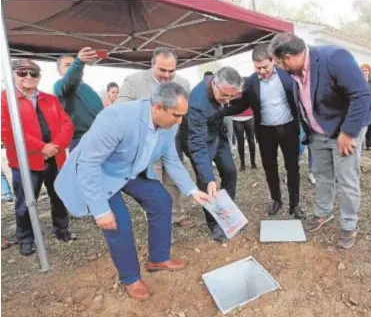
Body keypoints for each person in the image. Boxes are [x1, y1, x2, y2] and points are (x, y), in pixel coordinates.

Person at [54, 83, 210, 300]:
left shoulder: (169, 123)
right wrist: (100, 210)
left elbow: (172, 159)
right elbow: (88, 164)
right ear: (157, 108)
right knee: (118, 223)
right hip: (102, 173)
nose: (179, 121)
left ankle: (158, 258)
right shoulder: (116, 118)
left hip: (131, 168)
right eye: (176, 115)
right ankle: (130, 278)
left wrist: (192, 191)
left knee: (161, 202)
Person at [269, 33, 371, 249]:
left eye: (278, 63)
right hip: (318, 132)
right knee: (322, 175)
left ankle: (349, 224)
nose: (278, 67)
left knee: (346, 179)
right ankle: (323, 212)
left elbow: (362, 96)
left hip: (345, 129)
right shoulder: (296, 71)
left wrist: (348, 133)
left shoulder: (334, 57)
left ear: (288, 58)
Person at [1, 59, 75, 256]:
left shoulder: (50, 99)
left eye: (33, 73)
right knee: (25, 202)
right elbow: (7, 132)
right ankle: (26, 238)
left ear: (39, 77)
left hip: (54, 157)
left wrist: (55, 146)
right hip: (26, 162)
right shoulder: (4, 100)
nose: (28, 77)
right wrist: (41, 147)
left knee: (58, 195)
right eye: (22, 72)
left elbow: (67, 124)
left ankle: (62, 229)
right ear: (13, 75)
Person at [116, 47, 193, 228]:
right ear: (152, 65)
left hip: (171, 142)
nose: (167, 75)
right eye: (162, 70)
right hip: (146, 146)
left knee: (173, 180)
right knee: (154, 183)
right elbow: (120, 110)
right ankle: (159, 221)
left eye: (171, 71)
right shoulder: (134, 82)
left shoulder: (183, 83)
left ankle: (176, 215)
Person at [230, 44, 305, 218]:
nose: (262, 71)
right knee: (270, 168)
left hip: (289, 129)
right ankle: (276, 200)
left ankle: (295, 205)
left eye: (265, 66)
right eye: (258, 68)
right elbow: (242, 104)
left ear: (273, 61)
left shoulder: (288, 75)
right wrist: (221, 109)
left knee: (292, 168)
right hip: (265, 132)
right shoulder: (251, 82)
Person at [179, 67, 243, 241]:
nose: (227, 101)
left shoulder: (224, 91)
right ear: (214, 84)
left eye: (232, 96)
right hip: (197, 140)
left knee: (230, 171)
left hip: (217, 135)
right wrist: (209, 177)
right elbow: (197, 144)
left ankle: (227, 214)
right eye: (225, 95)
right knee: (206, 182)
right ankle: (214, 224)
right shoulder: (197, 103)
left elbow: (227, 106)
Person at [54, 47, 104, 151]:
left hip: (99, 137)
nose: (73, 67)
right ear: (59, 71)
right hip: (81, 140)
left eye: (73, 64)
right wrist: (78, 62)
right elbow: (70, 82)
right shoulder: (60, 85)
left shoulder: (87, 88)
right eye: (68, 65)